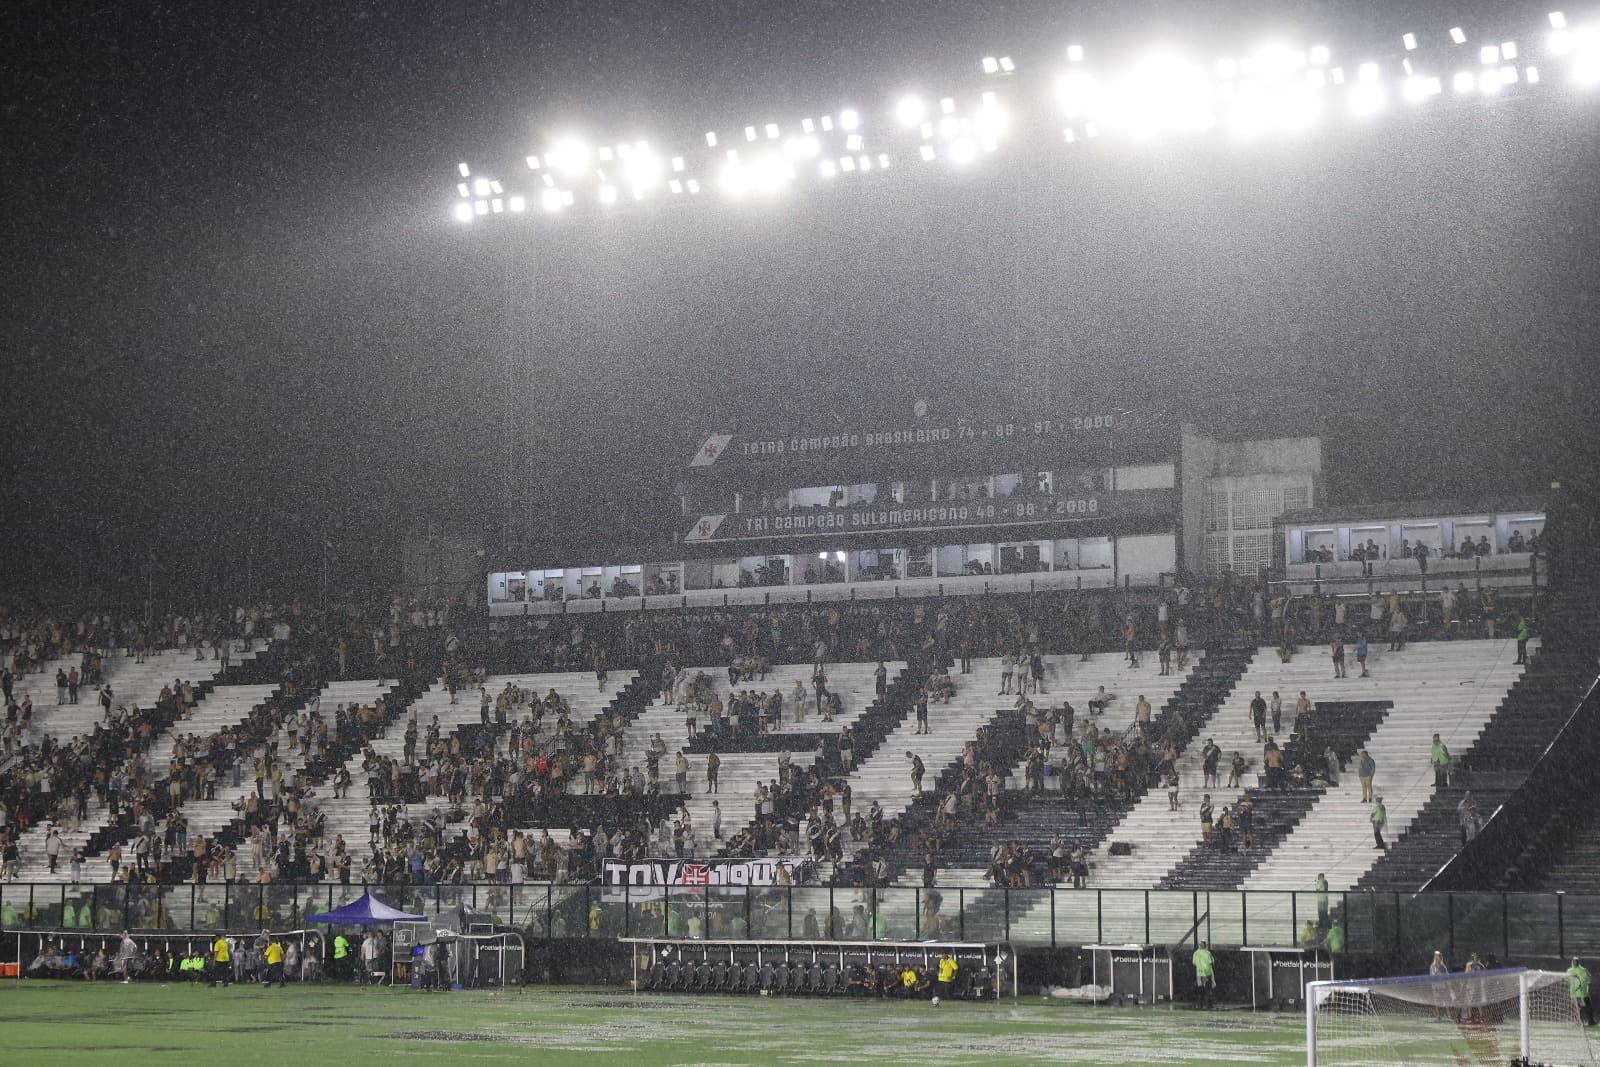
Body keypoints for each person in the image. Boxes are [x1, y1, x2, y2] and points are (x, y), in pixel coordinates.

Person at [1569, 958, 1594, 1027]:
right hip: (1582, 993)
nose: (1573, 963)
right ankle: (1589, 1021)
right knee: (1586, 1007)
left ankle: (1579, 1022)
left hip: (1576, 993)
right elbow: (1588, 980)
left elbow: (1568, 982)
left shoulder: (1570, 971)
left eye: (1574, 962)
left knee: (1578, 1008)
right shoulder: (1583, 970)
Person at [1193, 941, 1216, 1010]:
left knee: (1200, 989)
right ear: (1206, 946)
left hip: (1199, 973)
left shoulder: (1196, 953)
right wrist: (1213, 980)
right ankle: (1207, 1005)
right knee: (1207, 990)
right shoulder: (1208, 953)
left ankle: (1199, 1005)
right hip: (1206, 973)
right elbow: (1211, 964)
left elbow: (1194, 963)